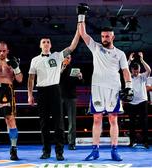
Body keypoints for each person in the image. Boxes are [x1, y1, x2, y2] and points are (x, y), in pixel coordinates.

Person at [76, 3, 133, 161]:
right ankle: (95, 150)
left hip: (114, 88)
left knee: (113, 118)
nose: (105, 38)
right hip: (97, 88)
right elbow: (82, 33)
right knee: (96, 118)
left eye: (107, 36)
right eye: (103, 36)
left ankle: (114, 150)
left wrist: (128, 86)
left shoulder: (120, 54)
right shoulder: (95, 47)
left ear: (113, 37)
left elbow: (125, 71)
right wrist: (81, 15)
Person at [27, 30, 80, 161]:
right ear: (40, 45)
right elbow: (31, 79)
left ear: (50, 45)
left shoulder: (57, 56)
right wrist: (29, 95)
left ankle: (59, 152)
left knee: (59, 123)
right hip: (41, 91)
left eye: (48, 42)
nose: (46, 44)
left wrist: (79, 32)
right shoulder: (35, 60)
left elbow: (72, 47)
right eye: (43, 42)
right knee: (44, 123)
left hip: (55, 90)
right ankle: (46, 151)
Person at [125, 52, 151, 148]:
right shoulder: (128, 77)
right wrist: (129, 60)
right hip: (131, 102)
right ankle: (132, 141)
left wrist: (142, 60)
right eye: (134, 71)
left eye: (137, 71)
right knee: (131, 123)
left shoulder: (142, 76)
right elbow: (124, 70)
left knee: (144, 123)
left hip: (142, 102)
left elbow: (149, 70)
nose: (136, 73)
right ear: (132, 70)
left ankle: (145, 142)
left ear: (139, 70)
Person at [60, 55, 83, 150]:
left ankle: (71, 143)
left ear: (71, 59)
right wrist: (61, 70)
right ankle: (59, 142)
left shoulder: (74, 70)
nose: (67, 59)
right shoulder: (56, 68)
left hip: (71, 97)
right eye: (65, 57)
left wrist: (80, 77)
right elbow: (53, 81)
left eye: (69, 58)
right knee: (59, 121)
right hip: (59, 96)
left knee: (72, 122)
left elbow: (80, 83)